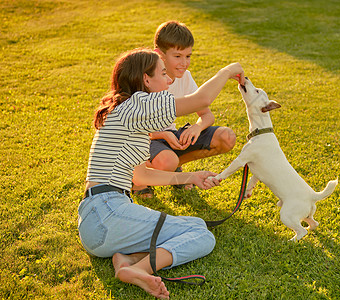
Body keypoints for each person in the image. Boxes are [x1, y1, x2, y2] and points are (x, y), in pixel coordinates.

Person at [78, 47, 245, 299]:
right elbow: (200, 101)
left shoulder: (127, 111)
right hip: (108, 213)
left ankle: (126, 258)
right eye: (163, 74)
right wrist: (229, 70)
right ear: (146, 79)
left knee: (194, 226)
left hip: (97, 222)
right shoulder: (138, 102)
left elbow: (140, 176)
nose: (169, 80)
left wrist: (190, 176)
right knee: (201, 233)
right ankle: (136, 270)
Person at [132, 21, 237, 197]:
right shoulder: (145, 80)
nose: (184, 63)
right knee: (168, 161)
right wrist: (164, 134)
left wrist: (197, 127)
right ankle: (138, 180)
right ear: (159, 54)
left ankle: (174, 171)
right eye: (178, 56)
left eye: (188, 56)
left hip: (172, 138)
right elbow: (131, 129)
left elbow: (206, 115)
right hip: (146, 140)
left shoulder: (185, 77)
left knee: (226, 137)